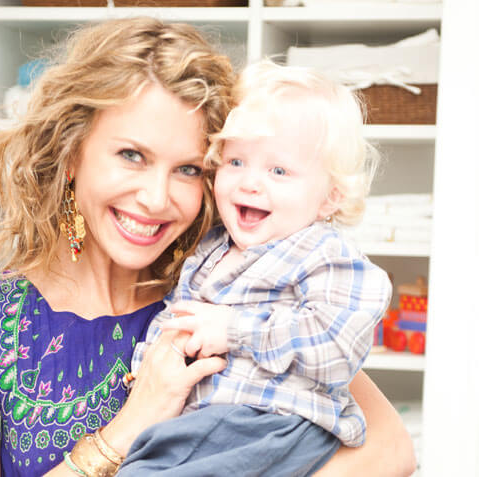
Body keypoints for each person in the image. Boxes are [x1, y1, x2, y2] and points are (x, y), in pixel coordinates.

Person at [0, 18, 416, 477]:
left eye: (188, 169)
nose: (156, 198)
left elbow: (391, 450)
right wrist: (130, 425)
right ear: (70, 154)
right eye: (132, 155)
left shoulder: (230, 289)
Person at [122, 59, 393, 477]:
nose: (250, 182)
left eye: (279, 170)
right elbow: (178, 318)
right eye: (236, 163)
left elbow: (336, 347)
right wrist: (147, 368)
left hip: (273, 423)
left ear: (330, 198)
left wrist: (233, 330)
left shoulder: (326, 254)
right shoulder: (212, 247)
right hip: (205, 424)